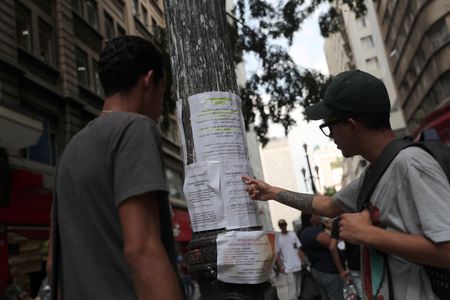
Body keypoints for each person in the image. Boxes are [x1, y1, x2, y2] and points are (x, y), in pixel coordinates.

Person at [243, 70, 450, 299]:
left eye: (330, 126)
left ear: (351, 125)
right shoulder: (375, 172)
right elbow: (329, 206)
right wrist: (272, 192)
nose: (331, 136)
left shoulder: (411, 164)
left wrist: (368, 234)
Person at [49, 36, 183, 299]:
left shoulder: (70, 150)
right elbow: (142, 250)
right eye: (162, 90)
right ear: (149, 80)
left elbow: (54, 261)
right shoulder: (136, 129)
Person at [299, 213, 344, 300]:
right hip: (328, 270)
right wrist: (333, 228)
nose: (319, 216)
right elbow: (333, 245)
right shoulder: (314, 232)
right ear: (311, 218)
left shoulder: (304, 232)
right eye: (316, 214)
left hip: (318, 270)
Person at [330, 218, 362, 299]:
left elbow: (332, 247)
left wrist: (341, 271)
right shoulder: (364, 211)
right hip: (372, 261)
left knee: (363, 295)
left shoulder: (339, 220)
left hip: (354, 265)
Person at [275, 219, 304, 300]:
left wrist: (302, 261)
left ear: (286, 225)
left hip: (298, 265)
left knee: (299, 287)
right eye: (281, 225)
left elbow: (299, 248)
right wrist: (281, 266)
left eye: (284, 225)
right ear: (279, 226)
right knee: (292, 288)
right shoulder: (279, 238)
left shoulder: (292, 234)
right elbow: (277, 254)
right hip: (288, 267)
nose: (283, 227)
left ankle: (298, 297)